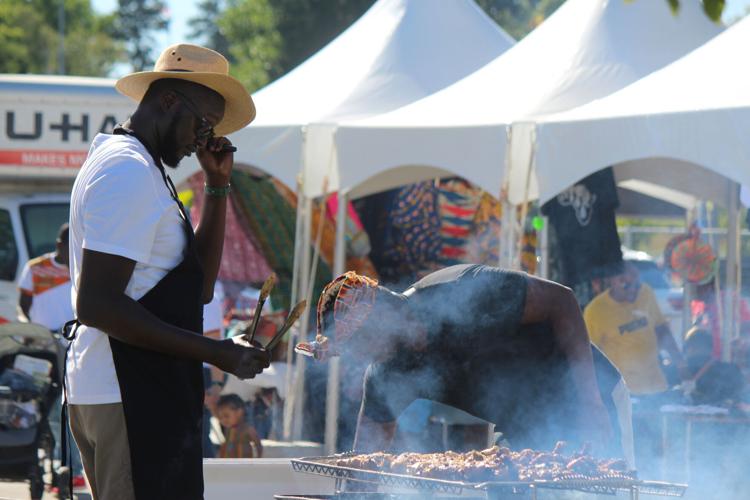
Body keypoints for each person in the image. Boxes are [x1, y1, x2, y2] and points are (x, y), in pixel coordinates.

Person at [66, 43, 270, 500]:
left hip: (138, 388)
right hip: (126, 391)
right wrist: (213, 351)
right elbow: (97, 303)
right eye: (201, 126)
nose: (203, 141)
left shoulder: (144, 169)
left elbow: (195, 287)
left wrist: (217, 186)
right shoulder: (126, 169)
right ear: (169, 101)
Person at [299, 265, 635, 466]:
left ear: (383, 318)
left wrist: (592, 405)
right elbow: (366, 461)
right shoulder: (388, 372)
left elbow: (562, 300)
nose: (360, 357)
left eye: (359, 343)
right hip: (524, 432)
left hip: (592, 399)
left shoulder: (467, 291)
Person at [584, 261, 687, 396]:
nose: (633, 289)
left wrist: (682, 366)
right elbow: (588, 357)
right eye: (625, 284)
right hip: (623, 393)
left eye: (636, 284)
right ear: (612, 281)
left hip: (656, 386)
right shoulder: (595, 311)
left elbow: (661, 330)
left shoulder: (646, 293)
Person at [17, 223, 72, 331]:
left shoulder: (81, 269)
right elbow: (23, 305)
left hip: (72, 337)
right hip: (44, 339)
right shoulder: (35, 267)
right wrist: (30, 330)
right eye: (71, 248)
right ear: (59, 245)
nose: (75, 253)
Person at [682, 327, 744, 406]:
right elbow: (741, 396)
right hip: (727, 416)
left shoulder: (678, 371)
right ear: (711, 348)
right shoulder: (731, 370)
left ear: (690, 348)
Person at [216, 394, 263, 458]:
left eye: (226, 416)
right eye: (220, 417)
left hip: (244, 465)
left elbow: (258, 444)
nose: (223, 420)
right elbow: (226, 445)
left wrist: (258, 459)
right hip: (229, 465)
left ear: (239, 412)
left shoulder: (247, 429)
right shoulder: (229, 430)